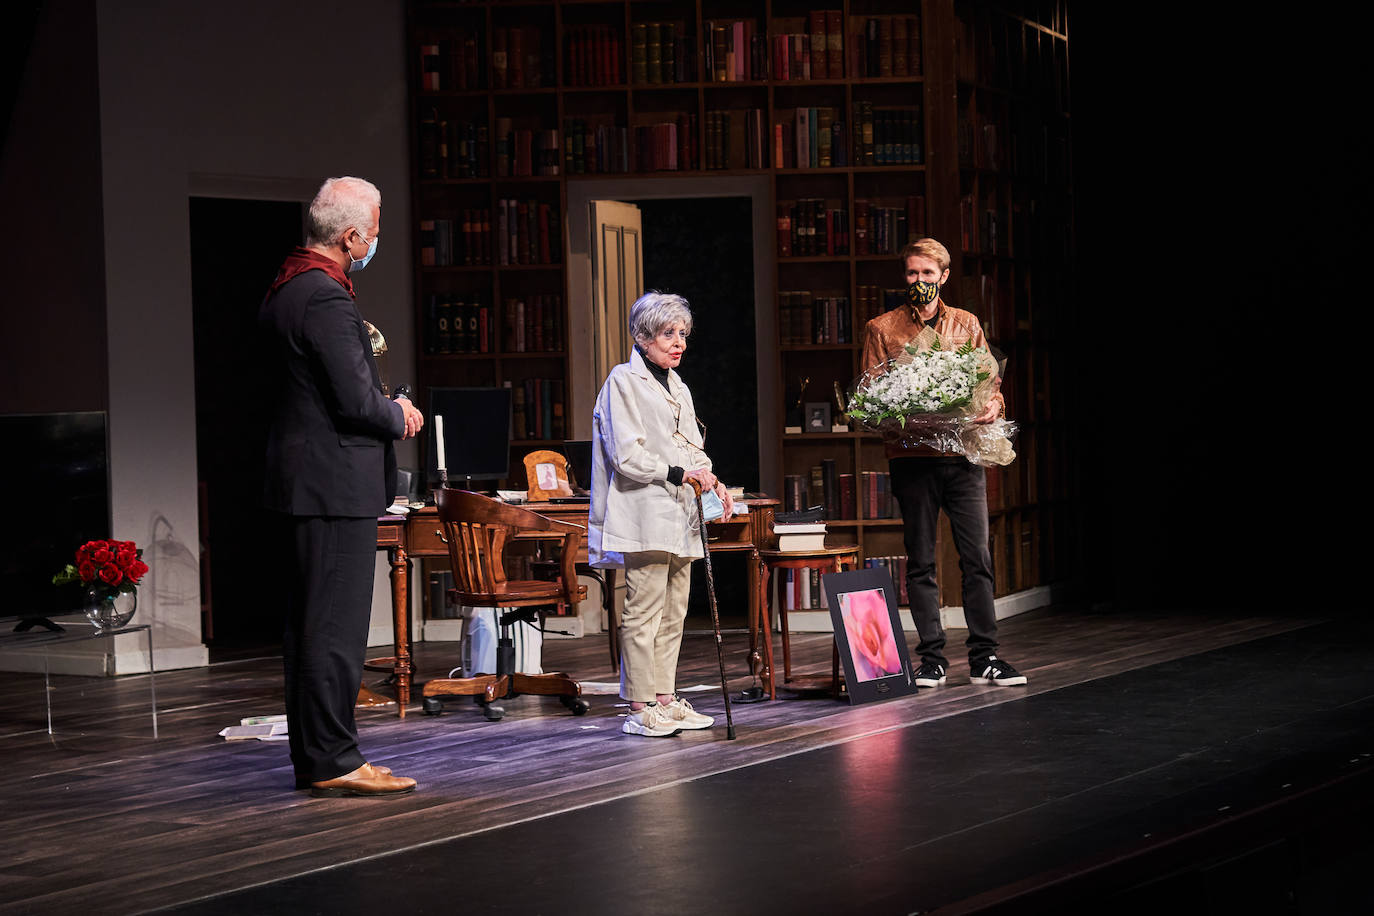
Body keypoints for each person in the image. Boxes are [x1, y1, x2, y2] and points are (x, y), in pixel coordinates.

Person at [261, 176, 424, 796]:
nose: (376, 239)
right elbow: (355, 401)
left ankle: (320, 757)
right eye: (375, 230)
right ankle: (334, 760)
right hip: (332, 486)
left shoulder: (286, 284)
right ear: (351, 236)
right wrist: (399, 413)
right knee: (333, 630)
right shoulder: (324, 297)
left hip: (305, 482)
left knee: (311, 628)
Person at [859, 238, 1028, 689]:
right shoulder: (883, 328)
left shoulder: (967, 323)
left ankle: (984, 657)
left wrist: (993, 404)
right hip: (912, 460)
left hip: (962, 456)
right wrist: (911, 411)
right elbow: (871, 400)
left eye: (927, 274)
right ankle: (931, 658)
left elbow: (989, 382)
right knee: (921, 560)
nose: (919, 282)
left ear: (944, 276)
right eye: (912, 274)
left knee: (977, 557)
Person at [589, 291, 735, 737]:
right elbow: (626, 455)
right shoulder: (623, 382)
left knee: (674, 612)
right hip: (644, 511)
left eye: (682, 334)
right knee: (643, 611)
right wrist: (679, 472)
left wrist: (713, 479)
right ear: (642, 336)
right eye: (669, 334)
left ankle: (666, 700)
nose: (679, 343)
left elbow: (693, 446)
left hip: (681, 513)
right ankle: (639, 706)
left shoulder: (679, 386)